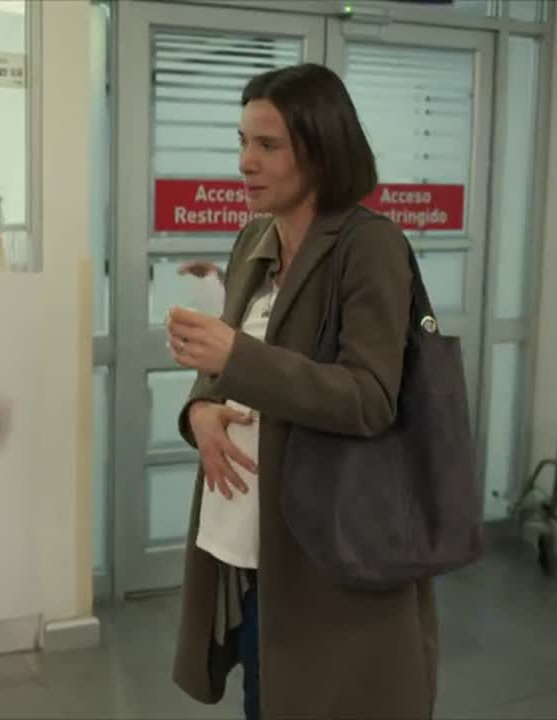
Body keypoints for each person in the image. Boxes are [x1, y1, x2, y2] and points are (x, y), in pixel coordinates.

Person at [164, 63, 438, 719]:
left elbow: (370, 397)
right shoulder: (255, 240)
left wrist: (236, 359)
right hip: (250, 545)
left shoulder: (369, 246)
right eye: (242, 141)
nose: (245, 162)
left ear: (320, 150)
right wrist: (200, 409)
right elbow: (228, 363)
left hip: (326, 556)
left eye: (268, 145)